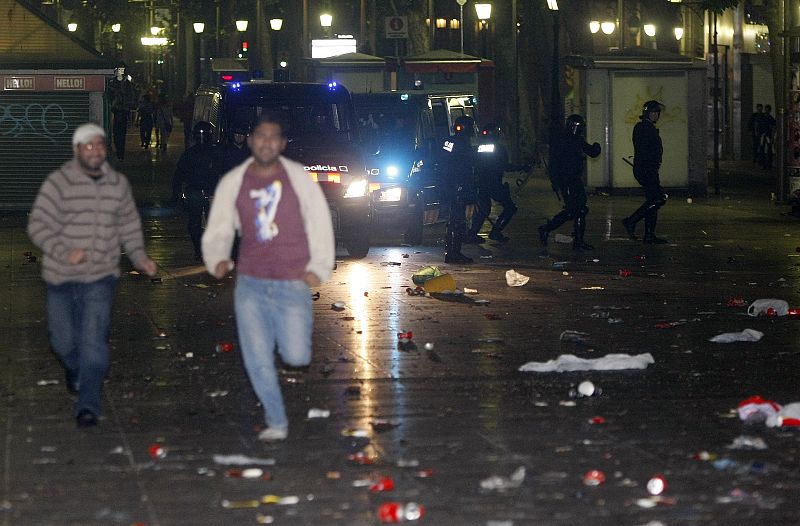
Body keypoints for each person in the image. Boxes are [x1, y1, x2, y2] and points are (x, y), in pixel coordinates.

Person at [201, 112, 335, 442]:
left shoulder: (299, 179)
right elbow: (219, 223)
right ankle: (276, 420)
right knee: (257, 359)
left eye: (274, 137)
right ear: (250, 141)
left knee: (296, 356)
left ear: (283, 144)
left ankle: (283, 339)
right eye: (260, 136)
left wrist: (319, 267)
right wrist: (217, 257)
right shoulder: (235, 181)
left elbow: (320, 222)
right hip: (251, 283)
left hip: (292, 281)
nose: (266, 142)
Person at [26, 123, 157, 428]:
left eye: (100, 145)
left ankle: (88, 404)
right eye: (89, 146)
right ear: (77, 150)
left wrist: (140, 257)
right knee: (62, 342)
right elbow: (38, 226)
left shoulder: (118, 185)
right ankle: (73, 367)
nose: (96, 150)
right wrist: (62, 250)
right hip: (61, 277)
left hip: (100, 277)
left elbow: (129, 226)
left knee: (93, 341)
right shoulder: (58, 183)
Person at [538, 114, 601, 250]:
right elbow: (554, 163)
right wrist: (555, 182)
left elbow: (591, 152)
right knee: (574, 210)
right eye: (577, 127)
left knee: (581, 210)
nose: (579, 130)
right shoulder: (561, 140)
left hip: (575, 180)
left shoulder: (577, 140)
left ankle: (577, 241)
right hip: (565, 181)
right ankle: (547, 228)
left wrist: (596, 148)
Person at [466, 123, 527, 243]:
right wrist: (521, 167)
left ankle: (472, 233)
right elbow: (504, 166)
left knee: (484, 208)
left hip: (481, 184)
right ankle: (496, 231)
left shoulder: (478, 148)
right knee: (510, 208)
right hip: (494, 184)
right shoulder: (499, 149)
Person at [622, 100, 669, 244]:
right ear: (647, 113)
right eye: (653, 112)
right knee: (657, 199)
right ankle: (631, 221)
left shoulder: (648, 128)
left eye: (657, 113)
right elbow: (646, 149)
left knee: (653, 200)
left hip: (650, 169)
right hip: (646, 169)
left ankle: (649, 235)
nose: (656, 115)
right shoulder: (643, 128)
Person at [172, 121, 219, 260]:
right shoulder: (192, 154)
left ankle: (204, 249)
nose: (201, 138)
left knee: (205, 223)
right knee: (195, 224)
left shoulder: (212, 153)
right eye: (199, 135)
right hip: (197, 192)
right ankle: (200, 249)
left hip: (208, 192)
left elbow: (179, 174)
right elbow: (180, 174)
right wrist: (176, 192)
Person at [438, 115, 477, 263]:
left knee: (453, 220)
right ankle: (454, 252)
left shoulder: (449, 141)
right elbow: (465, 166)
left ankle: (451, 252)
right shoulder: (463, 143)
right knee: (458, 221)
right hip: (458, 187)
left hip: (449, 186)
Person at [106, 65, 136, 161]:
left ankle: (120, 154)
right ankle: (118, 152)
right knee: (116, 134)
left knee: (121, 134)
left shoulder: (127, 84)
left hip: (122, 112)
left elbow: (131, 97)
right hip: (115, 111)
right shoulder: (113, 82)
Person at [759, 104, 776, 170]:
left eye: (767, 110)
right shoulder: (763, 117)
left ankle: (768, 164)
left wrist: (772, 137)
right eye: (766, 110)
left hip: (767, 135)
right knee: (762, 149)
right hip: (763, 134)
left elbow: (773, 128)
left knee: (768, 149)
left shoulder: (770, 118)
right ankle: (763, 164)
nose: (766, 111)